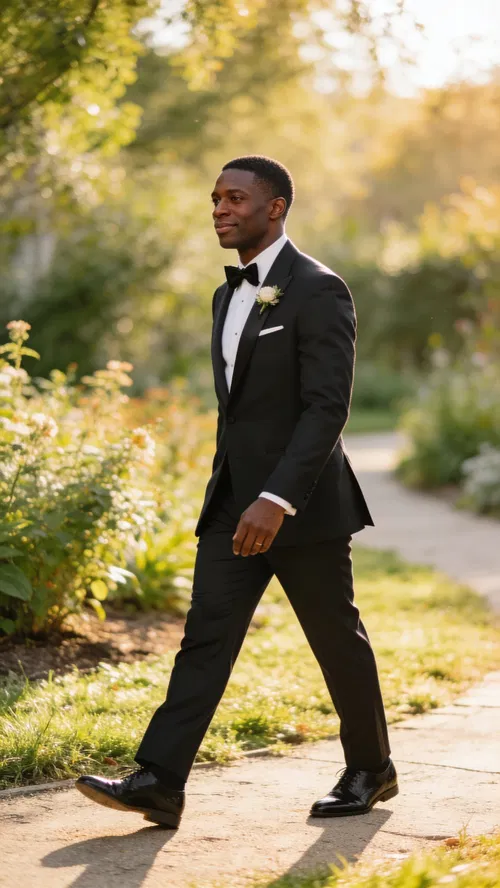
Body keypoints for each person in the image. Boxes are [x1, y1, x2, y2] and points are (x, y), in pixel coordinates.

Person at [75, 155, 398, 829]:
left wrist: (276, 499)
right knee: (205, 636)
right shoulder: (226, 295)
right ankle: (160, 780)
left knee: (335, 638)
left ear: (275, 207)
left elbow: (325, 407)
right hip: (231, 503)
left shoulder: (318, 289)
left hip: (299, 507)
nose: (220, 208)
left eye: (236, 198)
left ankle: (371, 768)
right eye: (216, 197)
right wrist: (237, 492)